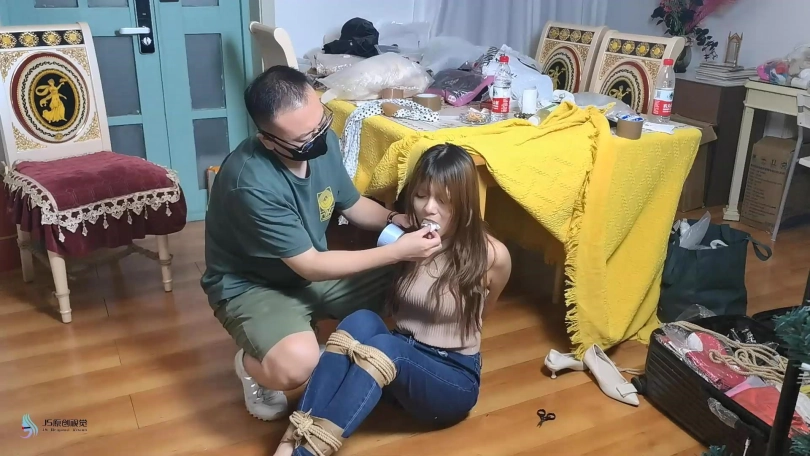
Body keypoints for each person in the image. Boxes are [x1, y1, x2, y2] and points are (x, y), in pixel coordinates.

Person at [201, 66, 443, 421]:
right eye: (304, 138)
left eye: (321, 124)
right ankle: (253, 364)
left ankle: (321, 334)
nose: (318, 138)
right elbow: (311, 265)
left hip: (311, 266)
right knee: (298, 364)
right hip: (254, 286)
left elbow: (352, 204)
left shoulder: (322, 141)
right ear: (268, 140)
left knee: (420, 276)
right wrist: (396, 251)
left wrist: (396, 219)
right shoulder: (250, 183)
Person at [273, 143, 513, 456]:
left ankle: (308, 453)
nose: (428, 208)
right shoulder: (406, 241)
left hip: (451, 378)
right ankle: (291, 439)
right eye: (421, 195)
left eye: (443, 200)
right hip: (397, 365)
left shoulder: (492, 255)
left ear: (465, 202)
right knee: (361, 320)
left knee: (388, 347)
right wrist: (398, 249)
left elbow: (485, 312)